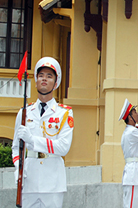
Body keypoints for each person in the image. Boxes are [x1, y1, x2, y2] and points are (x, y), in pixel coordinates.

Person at [12, 56, 74, 208]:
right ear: (36, 81)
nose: (44, 79)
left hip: (52, 181)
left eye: (49, 76)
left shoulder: (64, 113)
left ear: (56, 82)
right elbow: (15, 147)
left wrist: (32, 140)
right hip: (29, 179)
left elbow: (63, 147)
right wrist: (18, 167)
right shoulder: (24, 112)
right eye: (40, 76)